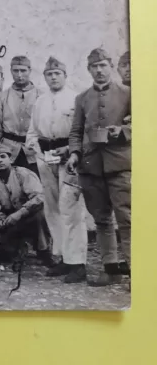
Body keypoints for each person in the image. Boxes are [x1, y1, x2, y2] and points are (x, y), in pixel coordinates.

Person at [67, 48, 131, 287]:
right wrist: (74, 153)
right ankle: (111, 269)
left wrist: (122, 131)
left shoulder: (127, 93)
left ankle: (137, 270)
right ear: (89, 70)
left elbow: (145, 122)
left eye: (103, 65)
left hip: (120, 166)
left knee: (127, 219)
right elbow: (76, 131)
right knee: (102, 220)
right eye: (94, 66)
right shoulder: (82, 98)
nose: (99, 70)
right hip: (90, 167)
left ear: (111, 66)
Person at [25, 57, 88, 283]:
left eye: (57, 73)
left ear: (64, 75)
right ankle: (62, 256)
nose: (53, 77)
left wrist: (70, 150)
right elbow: (32, 131)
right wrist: (34, 148)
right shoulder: (40, 101)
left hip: (69, 159)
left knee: (71, 208)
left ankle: (78, 262)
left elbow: (83, 132)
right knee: (52, 208)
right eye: (49, 74)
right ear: (44, 77)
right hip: (46, 158)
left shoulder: (76, 99)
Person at [0, 145, 52, 264]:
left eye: (3, 156)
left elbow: (39, 197)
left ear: (10, 159)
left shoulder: (23, 174)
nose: (0, 160)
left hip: (29, 216)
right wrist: (2, 222)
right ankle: (16, 248)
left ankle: (44, 251)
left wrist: (20, 213)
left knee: (41, 215)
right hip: (10, 221)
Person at [0, 56, 41, 174]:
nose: (19, 74)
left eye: (23, 70)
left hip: (34, 152)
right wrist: (0, 150)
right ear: (11, 71)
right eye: (15, 71)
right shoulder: (2, 96)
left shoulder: (40, 96)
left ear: (30, 71)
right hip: (9, 152)